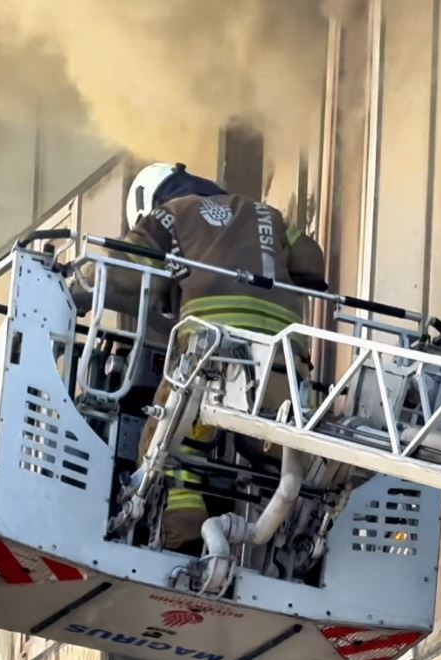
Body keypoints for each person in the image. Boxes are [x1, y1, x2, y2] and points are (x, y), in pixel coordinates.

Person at [72, 161, 327, 551]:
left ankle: (181, 541)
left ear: (149, 201)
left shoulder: (168, 216)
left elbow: (124, 266)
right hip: (284, 362)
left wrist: (74, 287)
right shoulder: (264, 214)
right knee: (279, 455)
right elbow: (311, 262)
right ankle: (292, 546)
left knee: (169, 443)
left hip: (209, 356)